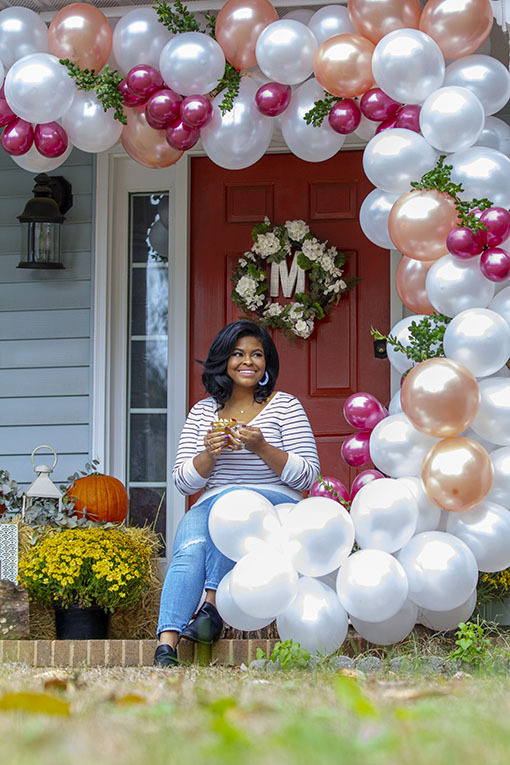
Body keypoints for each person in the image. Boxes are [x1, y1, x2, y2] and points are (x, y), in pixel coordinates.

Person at [154, 319, 320, 667]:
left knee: (233, 512)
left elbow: (307, 475)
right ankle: (166, 646)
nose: (248, 361)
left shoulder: (285, 406)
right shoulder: (203, 412)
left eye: (257, 354)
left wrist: (262, 447)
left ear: (266, 363)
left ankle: (211, 607)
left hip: (275, 501)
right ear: (223, 361)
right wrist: (209, 454)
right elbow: (183, 483)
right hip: (215, 501)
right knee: (190, 547)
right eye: (238, 354)